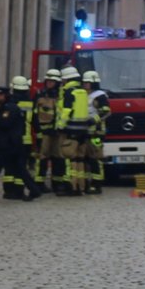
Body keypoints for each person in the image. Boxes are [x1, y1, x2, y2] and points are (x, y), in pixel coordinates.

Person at [0, 77, 43, 202]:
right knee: (20, 169)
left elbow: (5, 123)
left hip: (8, 144)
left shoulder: (10, 106)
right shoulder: (27, 102)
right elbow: (35, 122)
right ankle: (34, 190)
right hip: (19, 142)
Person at [55, 66, 93, 194]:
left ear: (67, 79)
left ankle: (70, 186)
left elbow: (67, 111)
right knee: (79, 159)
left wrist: (60, 125)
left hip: (71, 129)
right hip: (83, 130)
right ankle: (81, 186)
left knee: (68, 158)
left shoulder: (69, 92)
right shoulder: (82, 91)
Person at [33, 68, 63, 192]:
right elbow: (34, 114)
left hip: (57, 132)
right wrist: (38, 131)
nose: (49, 83)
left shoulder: (61, 95)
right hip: (44, 132)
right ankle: (39, 183)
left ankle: (57, 183)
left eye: (52, 81)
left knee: (58, 158)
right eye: (48, 81)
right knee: (43, 158)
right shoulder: (40, 94)